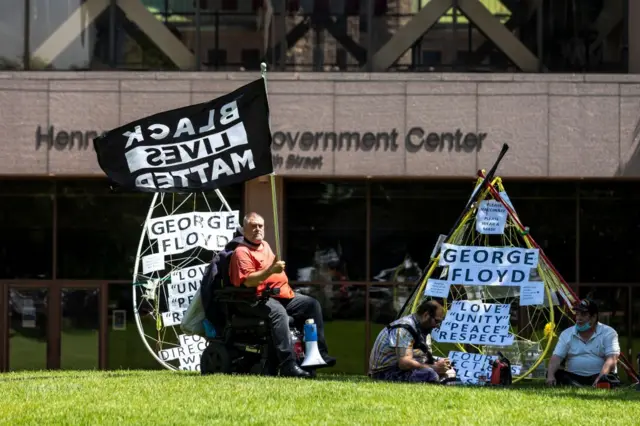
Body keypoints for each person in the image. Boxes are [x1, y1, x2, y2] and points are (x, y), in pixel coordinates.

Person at [228, 212, 336, 378]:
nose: (257, 229)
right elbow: (249, 281)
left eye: (260, 226)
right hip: (256, 299)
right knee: (279, 314)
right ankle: (288, 364)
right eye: (253, 226)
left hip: (282, 295)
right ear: (244, 229)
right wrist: (271, 270)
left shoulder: (265, 246)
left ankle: (317, 354)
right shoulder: (242, 252)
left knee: (311, 305)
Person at [368, 299, 454, 383]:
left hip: (402, 368)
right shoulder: (403, 329)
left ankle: (443, 381)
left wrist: (441, 364)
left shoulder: (423, 327)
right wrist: (434, 367)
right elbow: (404, 363)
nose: (436, 326)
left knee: (450, 370)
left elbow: (423, 357)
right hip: (385, 372)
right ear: (426, 315)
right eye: (436, 321)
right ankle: (440, 382)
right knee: (430, 374)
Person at [546, 298, 620, 387]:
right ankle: (576, 385)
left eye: (583, 314)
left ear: (594, 317)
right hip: (573, 376)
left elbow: (612, 359)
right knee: (555, 373)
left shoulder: (608, 332)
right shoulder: (567, 334)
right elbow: (556, 357)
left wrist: (600, 378)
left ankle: (590, 384)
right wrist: (550, 376)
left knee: (607, 378)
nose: (578, 318)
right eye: (577, 314)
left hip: (599, 375)